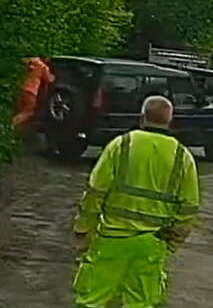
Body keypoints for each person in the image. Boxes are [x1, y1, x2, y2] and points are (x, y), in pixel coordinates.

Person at [72, 96, 200, 308]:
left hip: (111, 238)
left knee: (91, 300)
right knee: (141, 303)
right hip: (151, 243)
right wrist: (171, 241)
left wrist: (84, 228)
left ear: (142, 117)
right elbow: (189, 206)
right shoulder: (182, 156)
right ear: (170, 120)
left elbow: (95, 191)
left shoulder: (121, 145)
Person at [12, 56, 55, 129]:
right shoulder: (43, 67)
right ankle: (12, 124)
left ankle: (16, 131)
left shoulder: (30, 61)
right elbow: (48, 79)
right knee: (29, 112)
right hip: (31, 91)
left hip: (22, 88)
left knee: (22, 110)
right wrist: (53, 77)